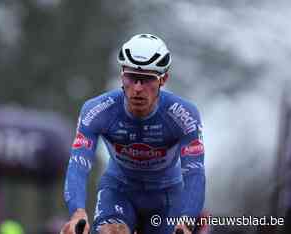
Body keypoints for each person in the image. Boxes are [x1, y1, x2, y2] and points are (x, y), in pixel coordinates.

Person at [61, 34, 206, 234]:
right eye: (131, 77)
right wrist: (77, 211)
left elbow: (194, 171)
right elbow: (78, 164)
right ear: (122, 75)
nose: (138, 88)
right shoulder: (97, 111)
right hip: (119, 190)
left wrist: (188, 219)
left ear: (163, 79)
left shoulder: (183, 114)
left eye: (147, 79)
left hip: (167, 197)